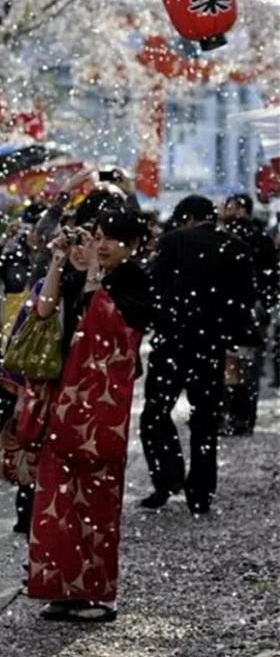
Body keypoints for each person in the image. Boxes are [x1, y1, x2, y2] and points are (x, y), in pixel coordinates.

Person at [24, 208, 150, 622]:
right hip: (65, 396)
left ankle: (94, 592)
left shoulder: (134, 280)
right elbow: (42, 312)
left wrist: (95, 276)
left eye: (112, 238)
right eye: (97, 235)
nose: (102, 244)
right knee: (56, 496)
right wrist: (60, 262)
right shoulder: (81, 274)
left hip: (99, 404)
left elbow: (111, 333)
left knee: (95, 495)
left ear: (133, 244)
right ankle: (59, 586)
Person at [140, 194, 256, 515]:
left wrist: (163, 319)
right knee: (205, 421)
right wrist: (227, 335)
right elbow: (245, 299)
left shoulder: (173, 241)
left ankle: (167, 477)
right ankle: (201, 491)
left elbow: (154, 288)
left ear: (186, 218)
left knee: (155, 413)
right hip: (210, 346)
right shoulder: (235, 246)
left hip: (172, 343)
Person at [221, 193, 279, 434]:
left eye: (230, 206)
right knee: (247, 366)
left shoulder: (231, 238)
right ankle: (243, 417)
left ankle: (236, 416)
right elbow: (271, 276)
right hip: (250, 311)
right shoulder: (260, 238)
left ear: (241, 210)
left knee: (234, 366)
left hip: (235, 311)